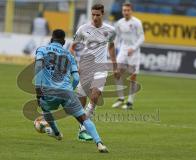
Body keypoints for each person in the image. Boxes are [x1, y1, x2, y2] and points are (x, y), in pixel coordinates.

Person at [35, 29, 108, 153]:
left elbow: (38, 67)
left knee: (45, 108)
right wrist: (71, 89)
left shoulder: (42, 50)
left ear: (51, 39)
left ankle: (57, 133)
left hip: (49, 91)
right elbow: (76, 78)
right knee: (83, 118)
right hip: (67, 92)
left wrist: (38, 88)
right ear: (63, 41)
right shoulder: (69, 55)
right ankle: (99, 143)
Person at [70, 4, 119, 141]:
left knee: (96, 95)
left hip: (100, 68)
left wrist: (115, 66)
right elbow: (73, 47)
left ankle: (83, 129)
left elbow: (111, 46)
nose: (95, 17)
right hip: (85, 67)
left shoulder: (110, 30)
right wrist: (74, 65)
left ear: (102, 14)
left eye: (98, 15)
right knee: (81, 101)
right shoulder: (83, 29)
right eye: (93, 15)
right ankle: (84, 127)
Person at [112, 2, 145, 109]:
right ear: (122, 11)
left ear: (131, 11)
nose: (126, 12)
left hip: (134, 51)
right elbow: (117, 37)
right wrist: (115, 48)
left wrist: (134, 48)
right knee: (116, 73)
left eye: (128, 10)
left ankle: (130, 102)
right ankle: (121, 98)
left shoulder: (137, 23)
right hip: (123, 49)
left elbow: (142, 38)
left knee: (133, 76)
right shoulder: (119, 23)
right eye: (124, 10)